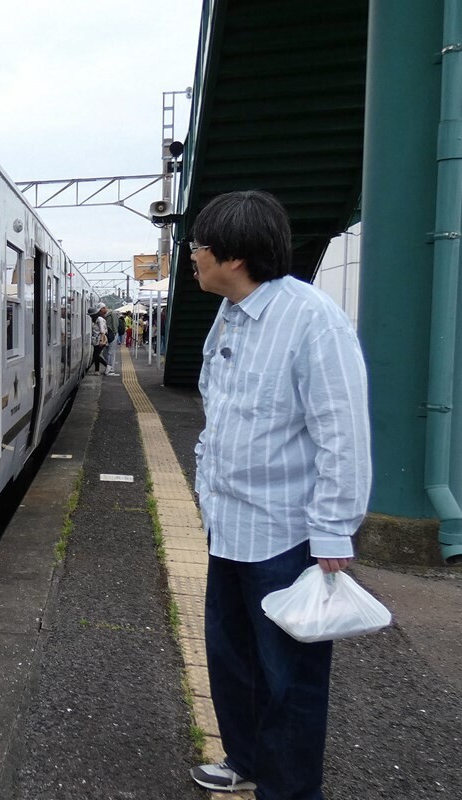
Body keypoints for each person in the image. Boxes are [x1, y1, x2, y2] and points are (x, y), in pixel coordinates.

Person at [188, 190, 371, 800]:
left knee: (290, 678)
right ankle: (246, 759)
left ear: (232, 257)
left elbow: (342, 430)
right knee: (232, 661)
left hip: (287, 538)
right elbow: (223, 413)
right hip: (229, 527)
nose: (193, 256)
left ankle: (289, 790)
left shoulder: (313, 319)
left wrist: (334, 529)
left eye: (200, 246)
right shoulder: (231, 314)